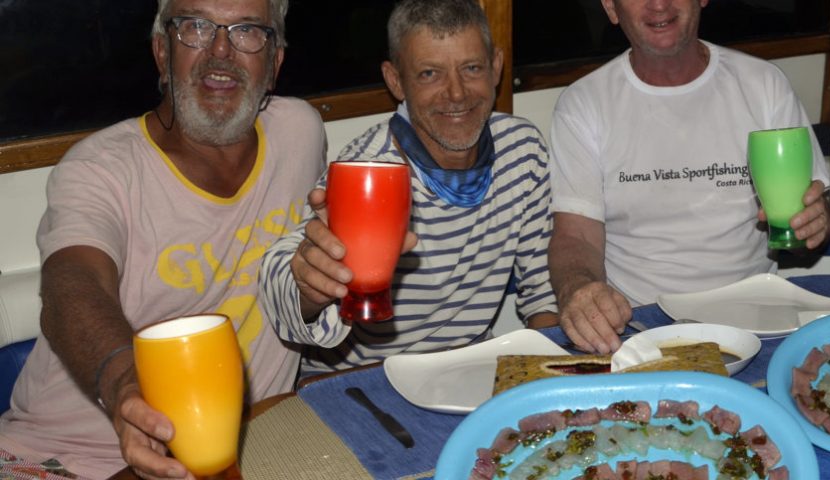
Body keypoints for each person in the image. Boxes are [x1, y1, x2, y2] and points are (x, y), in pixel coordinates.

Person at [0, 0, 323, 478]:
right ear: (161, 52)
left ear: (274, 63)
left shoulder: (300, 132)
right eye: (195, 26)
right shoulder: (99, 169)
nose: (220, 50)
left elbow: (298, 289)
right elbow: (73, 283)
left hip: (237, 449)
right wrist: (128, 383)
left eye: (247, 32)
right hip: (59, 457)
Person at [257, 0, 557, 376]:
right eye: (430, 73)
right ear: (396, 81)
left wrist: (545, 381)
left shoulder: (522, 149)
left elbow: (542, 292)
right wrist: (308, 286)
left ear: (496, 67)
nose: (457, 93)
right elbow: (283, 270)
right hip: (359, 381)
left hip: (469, 370)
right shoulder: (370, 170)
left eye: (472, 68)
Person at [548, 0, 830, 354]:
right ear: (611, 7)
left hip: (758, 323)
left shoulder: (764, 85)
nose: (658, 4)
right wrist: (578, 288)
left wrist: (817, 220)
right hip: (640, 326)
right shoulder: (583, 104)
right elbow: (577, 236)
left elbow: (814, 207)